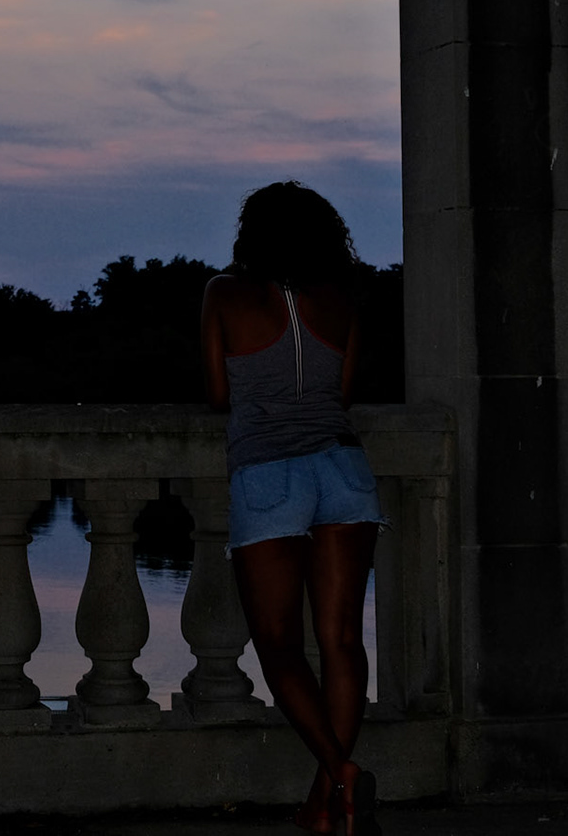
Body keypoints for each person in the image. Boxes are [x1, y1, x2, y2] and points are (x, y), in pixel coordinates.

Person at [199, 181, 382, 834]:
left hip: (269, 472)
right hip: (344, 469)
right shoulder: (341, 300)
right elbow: (343, 393)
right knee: (342, 641)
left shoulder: (224, 293)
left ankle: (339, 773)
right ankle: (324, 802)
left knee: (279, 644)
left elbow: (219, 393)